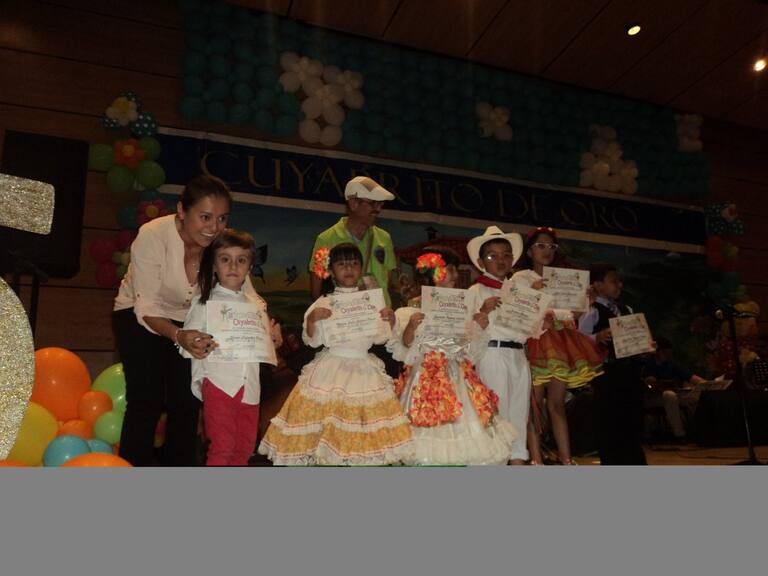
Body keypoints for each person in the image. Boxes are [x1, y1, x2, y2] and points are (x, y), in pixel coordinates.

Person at [113, 174, 244, 466]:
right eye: (205, 217)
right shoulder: (153, 234)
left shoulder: (222, 243)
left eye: (222, 219)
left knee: (187, 401)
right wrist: (178, 335)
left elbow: (245, 290)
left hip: (190, 322)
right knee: (146, 399)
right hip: (138, 315)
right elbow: (146, 306)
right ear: (182, 211)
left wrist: (266, 322)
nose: (214, 228)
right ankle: (132, 467)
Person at [258, 243, 413, 465]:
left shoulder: (371, 301)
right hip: (332, 369)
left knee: (363, 425)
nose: (349, 268)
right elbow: (312, 340)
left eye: (354, 263)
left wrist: (391, 319)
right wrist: (313, 320)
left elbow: (380, 338)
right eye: (342, 264)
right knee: (330, 425)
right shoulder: (324, 302)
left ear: (361, 268)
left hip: (364, 369)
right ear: (331, 271)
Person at [387, 246, 517, 465]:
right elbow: (405, 349)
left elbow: (469, 351)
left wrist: (478, 324)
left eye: (456, 270)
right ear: (433, 272)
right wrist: (411, 326)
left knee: (465, 433)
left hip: (457, 375)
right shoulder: (411, 310)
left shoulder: (462, 307)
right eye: (451, 269)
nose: (456, 275)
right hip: (425, 378)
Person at [180, 229, 281, 466]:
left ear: (250, 267)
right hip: (219, 383)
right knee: (222, 448)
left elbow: (263, 346)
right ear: (214, 265)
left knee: (244, 449)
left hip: (250, 387)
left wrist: (273, 341)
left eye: (241, 260)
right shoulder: (204, 303)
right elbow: (185, 344)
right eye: (225, 259)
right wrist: (197, 343)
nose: (233, 266)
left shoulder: (257, 306)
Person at [512, 227, 604, 465]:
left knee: (557, 404)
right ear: (529, 252)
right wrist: (534, 293)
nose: (547, 251)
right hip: (534, 341)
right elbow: (516, 311)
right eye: (540, 246)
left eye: (551, 247)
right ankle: (536, 460)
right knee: (533, 405)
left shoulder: (563, 279)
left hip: (561, 343)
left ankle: (566, 459)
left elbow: (571, 318)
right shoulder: (521, 278)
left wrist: (585, 302)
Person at [466, 225, 532, 465]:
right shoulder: (476, 290)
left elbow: (529, 327)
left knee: (519, 414)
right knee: (496, 414)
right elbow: (465, 331)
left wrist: (541, 323)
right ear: (481, 262)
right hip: (492, 354)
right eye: (493, 256)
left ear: (513, 259)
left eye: (506, 255)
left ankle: (517, 462)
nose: (501, 260)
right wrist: (482, 311)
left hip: (519, 355)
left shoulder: (520, 292)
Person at [578, 262, 648, 465]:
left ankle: (635, 462)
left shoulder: (626, 309)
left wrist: (645, 345)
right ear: (597, 284)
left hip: (630, 374)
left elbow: (636, 339)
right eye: (613, 281)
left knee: (632, 421)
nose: (619, 285)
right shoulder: (591, 310)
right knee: (609, 422)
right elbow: (579, 339)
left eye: (619, 281)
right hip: (606, 374)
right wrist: (596, 337)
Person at [309, 176, 397, 305]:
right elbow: (317, 290)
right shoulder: (325, 240)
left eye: (381, 204)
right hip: (345, 314)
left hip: (381, 314)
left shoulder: (384, 238)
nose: (378, 209)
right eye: (373, 203)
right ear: (353, 204)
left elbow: (387, 280)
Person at [642, 337, 705, 443]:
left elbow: (691, 377)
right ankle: (679, 434)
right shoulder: (648, 364)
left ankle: (699, 431)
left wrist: (708, 384)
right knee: (669, 395)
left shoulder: (672, 364)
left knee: (695, 396)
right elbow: (650, 383)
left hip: (674, 394)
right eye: (664, 352)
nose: (667, 355)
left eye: (669, 352)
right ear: (657, 352)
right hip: (653, 397)